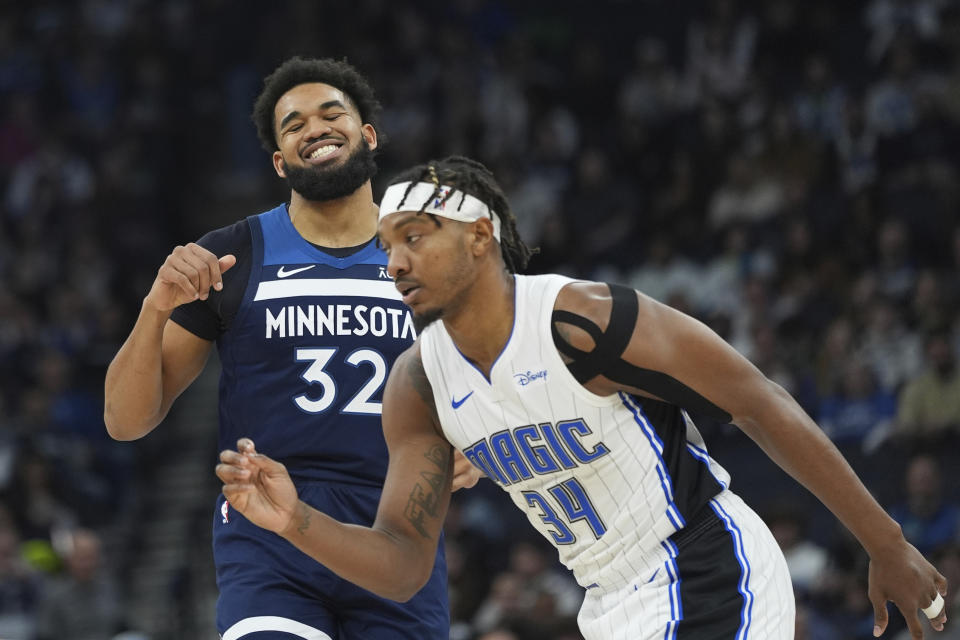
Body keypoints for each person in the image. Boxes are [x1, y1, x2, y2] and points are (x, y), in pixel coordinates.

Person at [215, 156, 949, 639]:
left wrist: (886, 544)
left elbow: (757, 402)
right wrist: (297, 522)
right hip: (606, 602)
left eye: (415, 235)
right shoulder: (416, 383)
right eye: (385, 245)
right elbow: (405, 562)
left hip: (702, 563)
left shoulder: (583, 320)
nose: (395, 260)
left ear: (480, 236)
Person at [105, 59, 479, 639]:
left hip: (397, 526)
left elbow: (494, 383)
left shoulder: (430, 256)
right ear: (281, 160)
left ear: (368, 135)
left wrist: (479, 445)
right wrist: (156, 306)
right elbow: (125, 422)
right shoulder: (233, 254)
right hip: (269, 526)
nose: (316, 128)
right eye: (294, 124)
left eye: (333, 115)